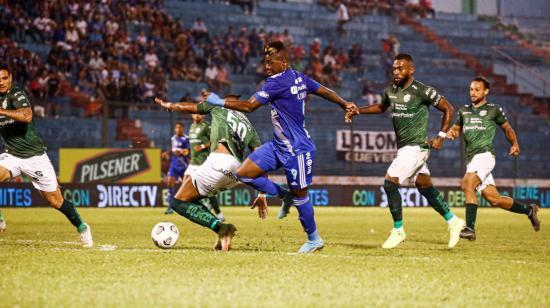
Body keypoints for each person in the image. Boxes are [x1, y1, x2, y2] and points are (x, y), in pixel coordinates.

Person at [203, 41, 357, 253]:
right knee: (245, 173)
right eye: (265, 61)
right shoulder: (299, 77)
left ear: (283, 62)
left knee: (301, 196)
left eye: (271, 62)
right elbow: (324, 91)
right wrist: (343, 103)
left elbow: (249, 106)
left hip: (297, 149)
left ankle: (314, 239)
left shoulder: (276, 83)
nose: (266, 66)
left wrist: (217, 100)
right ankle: (285, 196)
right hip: (278, 146)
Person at [346, 54, 465, 249]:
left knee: (390, 183)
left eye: (401, 69)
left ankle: (398, 230)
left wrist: (441, 136)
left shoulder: (422, 90)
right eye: (394, 69)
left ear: (411, 70)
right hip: (405, 148)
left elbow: (449, 109)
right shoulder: (390, 91)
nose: (396, 72)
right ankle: (454, 221)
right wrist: (358, 110)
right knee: (425, 187)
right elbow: (381, 107)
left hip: (416, 147)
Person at [154, 95, 267, 251]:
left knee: (178, 203)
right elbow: (261, 158)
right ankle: (221, 230)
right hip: (235, 173)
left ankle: (222, 228)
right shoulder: (249, 126)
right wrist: (263, 192)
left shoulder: (218, 107)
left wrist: (169, 104)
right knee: (194, 199)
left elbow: (187, 107)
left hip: (219, 162)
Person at [0, 63, 93, 247]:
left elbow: (27, 116)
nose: (1, 82)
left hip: (34, 157)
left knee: (55, 201)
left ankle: (82, 226)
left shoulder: (16, 94)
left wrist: (1, 111)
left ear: (10, 78)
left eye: (4, 78)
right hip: (12, 155)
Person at [446, 77, 540, 240]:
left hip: (485, 156)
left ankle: (470, 228)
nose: (473, 92)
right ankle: (528, 210)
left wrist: (514, 144)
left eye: (477, 89)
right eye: (471, 89)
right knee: (494, 199)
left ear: (486, 91)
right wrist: (452, 132)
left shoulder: (493, 109)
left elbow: (507, 129)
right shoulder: (464, 111)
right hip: (472, 160)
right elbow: (456, 128)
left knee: (467, 183)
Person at [184, 112, 225, 221]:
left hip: (203, 162)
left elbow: (215, 141)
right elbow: (193, 144)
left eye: (199, 114)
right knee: (185, 185)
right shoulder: (192, 126)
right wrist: (187, 151)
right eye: (195, 114)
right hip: (193, 162)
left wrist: (202, 146)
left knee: (207, 190)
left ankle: (218, 213)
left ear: (203, 116)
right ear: (191, 115)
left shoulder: (206, 126)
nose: (196, 115)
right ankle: (203, 207)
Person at [162, 122, 189, 215]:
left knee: (188, 186)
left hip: (183, 165)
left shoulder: (186, 139)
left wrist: (181, 152)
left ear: (183, 129)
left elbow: (187, 151)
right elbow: (173, 148)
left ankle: (190, 205)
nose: (178, 129)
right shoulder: (173, 138)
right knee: (169, 183)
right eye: (176, 128)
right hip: (174, 165)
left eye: (179, 127)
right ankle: (170, 207)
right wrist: (167, 152)